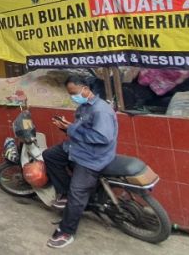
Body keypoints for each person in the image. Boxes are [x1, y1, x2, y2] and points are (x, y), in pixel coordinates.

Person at [42, 75, 118, 249]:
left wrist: (71, 129)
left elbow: (102, 137)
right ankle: (65, 192)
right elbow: (82, 128)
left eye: (74, 92)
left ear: (85, 88)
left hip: (92, 156)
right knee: (50, 155)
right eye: (70, 94)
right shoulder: (84, 107)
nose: (72, 96)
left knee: (78, 193)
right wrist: (67, 126)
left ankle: (66, 232)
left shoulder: (101, 110)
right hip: (76, 148)